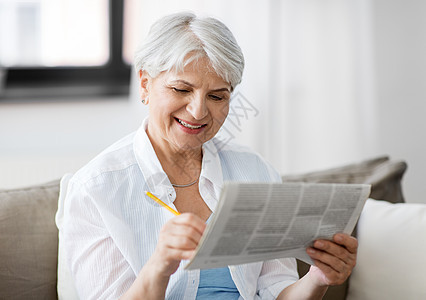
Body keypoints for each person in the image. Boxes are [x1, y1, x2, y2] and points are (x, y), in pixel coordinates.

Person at [63, 12, 357, 300]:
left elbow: (276, 291)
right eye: (181, 89)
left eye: (217, 96)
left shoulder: (255, 172)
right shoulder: (95, 190)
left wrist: (318, 278)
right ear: (144, 84)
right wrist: (159, 267)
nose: (198, 111)